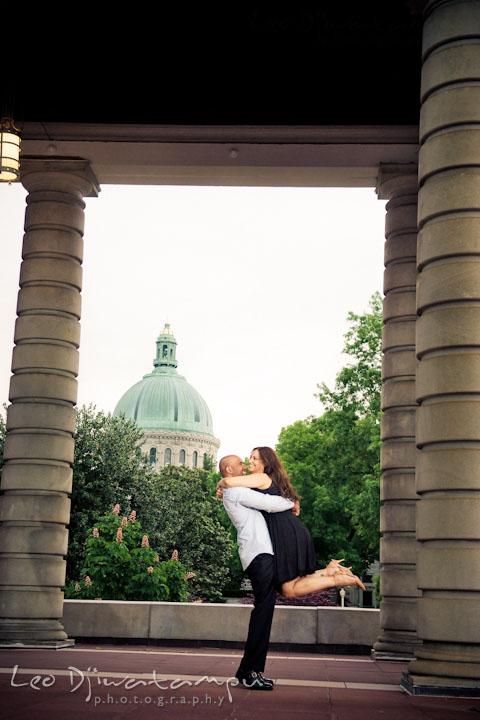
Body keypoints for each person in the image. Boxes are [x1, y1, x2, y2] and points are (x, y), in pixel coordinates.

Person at [219, 454, 357, 691]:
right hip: (259, 556)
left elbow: (265, 498)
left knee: (268, 607)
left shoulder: (236, 490)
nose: (244, 465)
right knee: (263, 611)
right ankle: (251, 671)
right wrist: (292, 502)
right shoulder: (236, 492)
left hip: (261, 555)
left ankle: (248, 671)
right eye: (240, 464)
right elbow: (271, 504)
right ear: (229, 470)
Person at [217, 446, 366, 600]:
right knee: (288, 589)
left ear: (265, 463)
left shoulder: (260, 477)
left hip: (284, 532)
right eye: (250, 457)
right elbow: (243, 494)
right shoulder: (264, 480)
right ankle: (330, 572)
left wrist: (222, 483)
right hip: (287, 530)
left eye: (255, 458)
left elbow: (229, 481)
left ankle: (335, 578)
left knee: (289, 589)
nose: (250, 462)